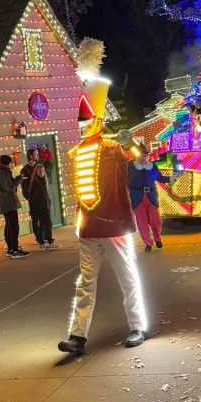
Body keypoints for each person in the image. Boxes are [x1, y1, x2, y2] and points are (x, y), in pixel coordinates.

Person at [58, 38, 148, 355]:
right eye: (79, 122)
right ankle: (78, 336)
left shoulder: (112, 148)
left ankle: (138, 327)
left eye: (86, 121)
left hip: (114, 225)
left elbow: (138, 156)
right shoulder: (76, 151)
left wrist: (130, 142)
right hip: (88, 227)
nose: (81, 126)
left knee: (127, 276)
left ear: (96, 121)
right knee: (85, 283)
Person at [128, 143, 164, 251]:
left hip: (151, 196)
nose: (143, 156)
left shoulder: (153, 167)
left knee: (155, 220)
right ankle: (148, 243)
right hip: (137, 197)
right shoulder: (130, 166)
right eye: (141, 154)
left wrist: (173, 178)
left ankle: (158, 239)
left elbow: (161, 179)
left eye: (145, 154)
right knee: (142, 222)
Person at [20, 148, 58, 249]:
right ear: (30, 156)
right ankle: (38, 237)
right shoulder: (25, 170)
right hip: (33, 198)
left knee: (44, 219)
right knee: (36, 218)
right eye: (35, 154)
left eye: (37, 153)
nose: (38, 155)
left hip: (42, 196)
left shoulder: (38, 167)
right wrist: (28, 197)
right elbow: (24, 186)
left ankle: (45, 237)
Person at [0, 155, 27, 258]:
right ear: (7, 163)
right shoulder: (2, 173)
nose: (13, 165)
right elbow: (9, 187)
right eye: (11, 163)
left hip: (4, 203)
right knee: (13, 227)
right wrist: (19, 179)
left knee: (9, 226)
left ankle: (11, 248)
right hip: (8, 203)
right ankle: (14, 250)